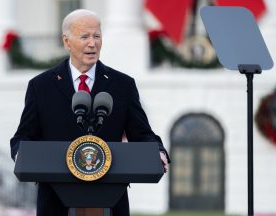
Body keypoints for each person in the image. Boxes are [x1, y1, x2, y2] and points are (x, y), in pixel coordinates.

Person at [10, 9, 170, 216]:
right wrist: (21, 153)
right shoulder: (41, 86)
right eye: (84, 36)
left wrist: (157, 150)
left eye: (97, 36)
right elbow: (24, 135)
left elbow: (142, 133)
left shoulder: (122, 85)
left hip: (109, 200)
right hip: (56, 202)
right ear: (67, 42)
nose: (92, 43)